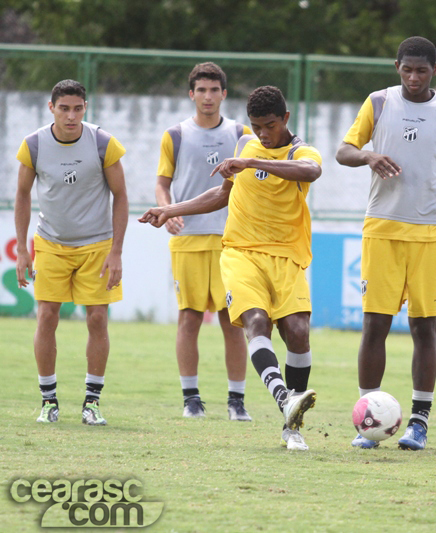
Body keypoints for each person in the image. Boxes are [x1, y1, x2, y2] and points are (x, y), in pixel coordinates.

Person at [140, 85, 321, 451]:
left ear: (285, 119)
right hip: (240, 252)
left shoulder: (301, 151)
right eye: (256, 126)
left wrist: (253, 162)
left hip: (288, 256)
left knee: (298, 332)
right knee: (255, 322)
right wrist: (170, 210)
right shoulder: (245, 145)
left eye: (269, 126)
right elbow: (223, 194)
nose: (262, 134)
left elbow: (310, 171)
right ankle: (285, 400)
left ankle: (292, 424)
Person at [335, 36, 436, 451]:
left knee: (424, 326)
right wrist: (369, 157)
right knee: (375, 323)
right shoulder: (378, 103)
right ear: (397, 66)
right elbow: (343, 151)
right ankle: (367, 420)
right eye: (407, 69)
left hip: (431, 232)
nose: (414, 77)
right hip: (382, 228)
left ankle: (419, 422)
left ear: (435, 70)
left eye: (422, 70)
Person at [14, 79, 128, 426]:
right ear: (51, 108)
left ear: (85, 108)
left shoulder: (103, 143)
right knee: (47, 315)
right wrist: (22, 249)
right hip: (51, 242)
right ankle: (49, 402)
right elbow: (22, 195)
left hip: (97, 244)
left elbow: (121, 196)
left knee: (97, 318)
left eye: (78, 108)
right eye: (64, 108)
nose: (71, 116)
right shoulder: (33, 145)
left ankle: (92, 402)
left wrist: (117, 252)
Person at [155, 62, 252, 420]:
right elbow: (162, 184)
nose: (208, 96)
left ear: (224, 94)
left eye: (214, 90)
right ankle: (191, 399)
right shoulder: (175, 135)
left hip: (231, 240)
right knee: (190, 318)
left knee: (232, 320)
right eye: (201, 90)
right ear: (191, 94)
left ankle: (236, 401)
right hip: (189, 240)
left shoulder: (241, 134)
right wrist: (168, 210)